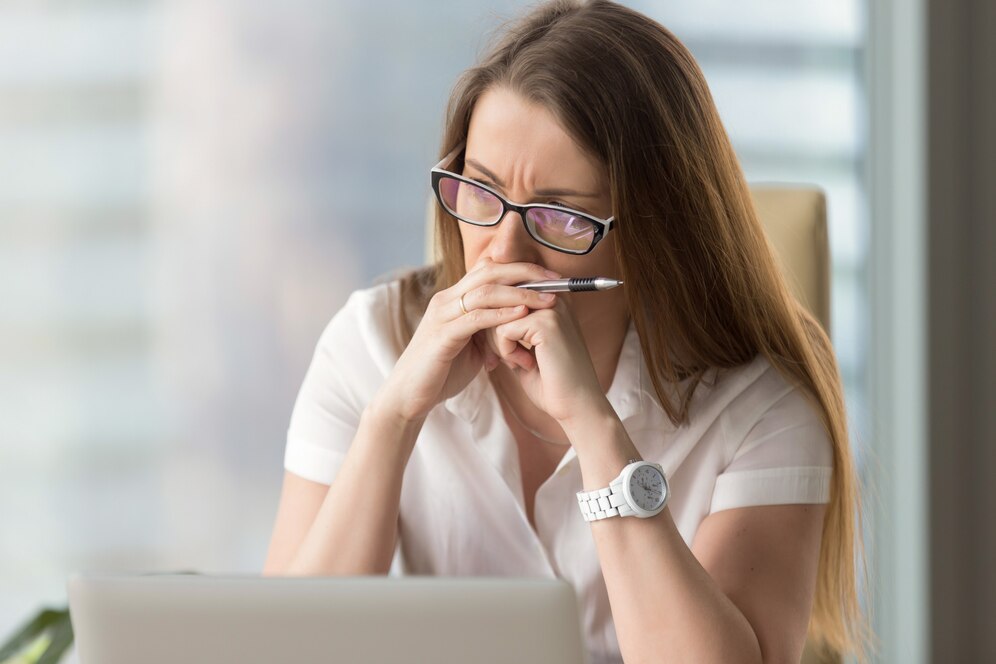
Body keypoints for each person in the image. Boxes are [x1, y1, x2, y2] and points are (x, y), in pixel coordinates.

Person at [263, 1, 870, 662]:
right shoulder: (368, 346)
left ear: (652, 235)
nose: (502, 253)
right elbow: (290, 648)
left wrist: (595, 427)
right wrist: (393, 418)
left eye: (557, 216)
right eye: (481, 192)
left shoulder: (762, 413)